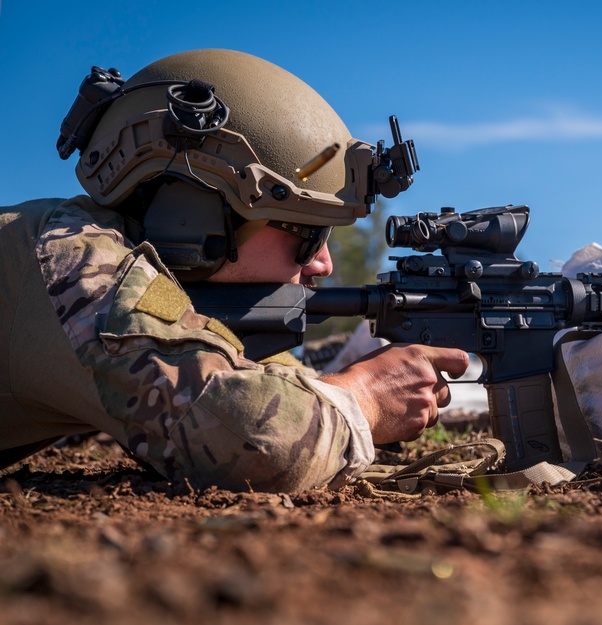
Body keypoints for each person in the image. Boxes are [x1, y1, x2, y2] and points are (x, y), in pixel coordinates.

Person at [0, 49, 468, 492]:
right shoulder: (74, 259)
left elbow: (227, 373)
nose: (323, 264)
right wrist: (363, 396)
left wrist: (341, 377)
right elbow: (253, 441)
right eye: (308, 235)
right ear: (193, 220)